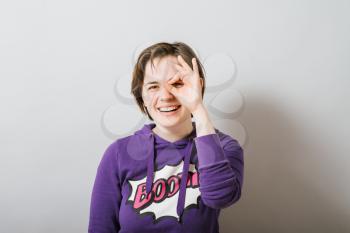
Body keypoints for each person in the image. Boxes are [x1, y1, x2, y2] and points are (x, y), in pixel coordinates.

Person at [88, 42, 244, 233]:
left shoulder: (224, 147)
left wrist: (198, 110)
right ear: (142, 98)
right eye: (153, 86)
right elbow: (100, 228)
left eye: (177, 84)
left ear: (197, 86)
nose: (165, 96)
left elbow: (221, 197)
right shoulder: (118, 154)